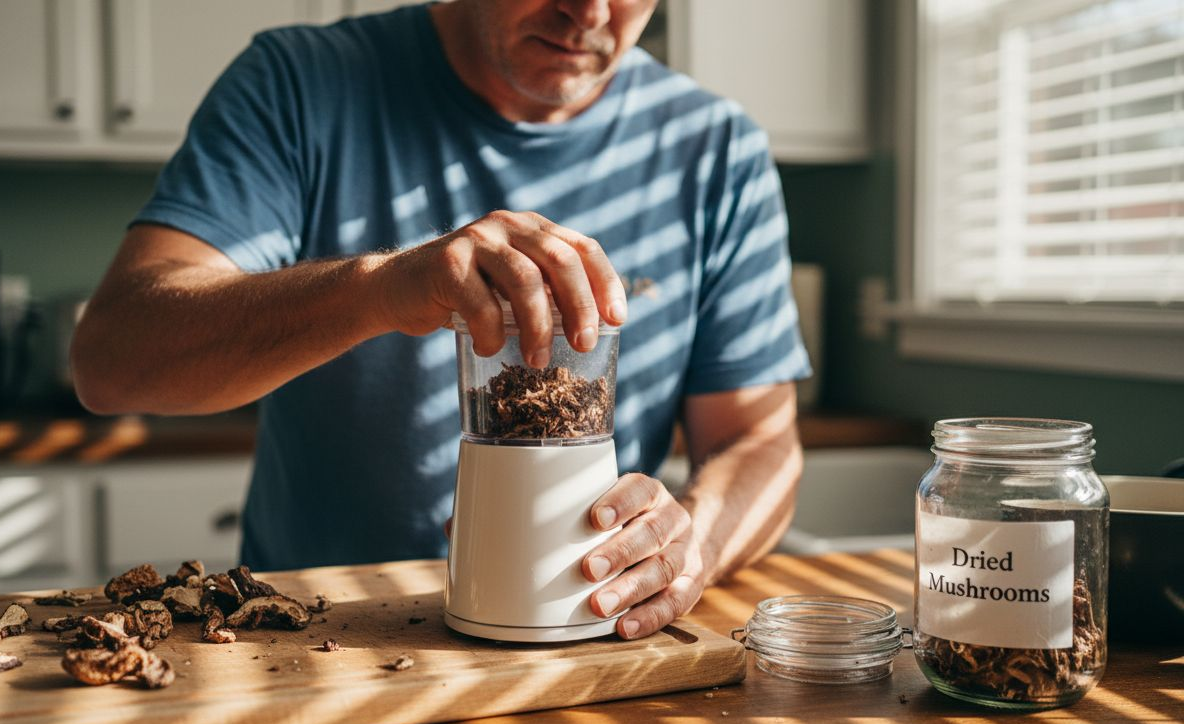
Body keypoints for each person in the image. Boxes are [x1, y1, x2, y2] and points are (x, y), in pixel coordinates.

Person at [71, 0, 810, 640]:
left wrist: (691, 542)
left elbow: (759, 439)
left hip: (577, 642)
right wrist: (382, 287)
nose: (588, 14)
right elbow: (112, 360)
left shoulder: (716, 150)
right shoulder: (300, 83)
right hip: (305, 636)